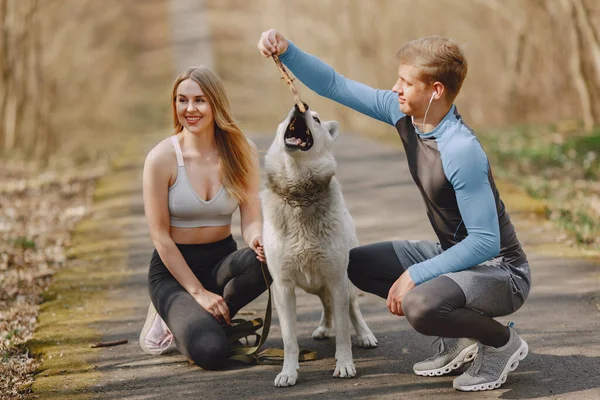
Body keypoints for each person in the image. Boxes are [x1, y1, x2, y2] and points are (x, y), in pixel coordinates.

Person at [258, 30, 530, 391]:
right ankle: (460, 337)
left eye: (405, 82)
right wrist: (287, 51)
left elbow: (485, 243)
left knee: (419, 304)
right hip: (456, 258)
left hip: (503, 273)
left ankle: (501, 344)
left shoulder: (461, 149)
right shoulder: (406, 115)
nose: (395, 88)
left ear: (435, 90)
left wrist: (416, 274)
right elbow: (336, 85)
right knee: (356, 264)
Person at [138, 66, 268, 370]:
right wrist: (197, 293)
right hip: (173, 271)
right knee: (209, 351)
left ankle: (207, 315)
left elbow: (250, 218)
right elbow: (160, 236)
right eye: (182, 100)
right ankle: (173, 313)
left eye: (200, 100)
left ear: (216, 105)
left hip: (221, 261)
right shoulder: (161, 158)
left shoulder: (241, 151)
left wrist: (258, 239)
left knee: (274, 257)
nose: (190, 109)